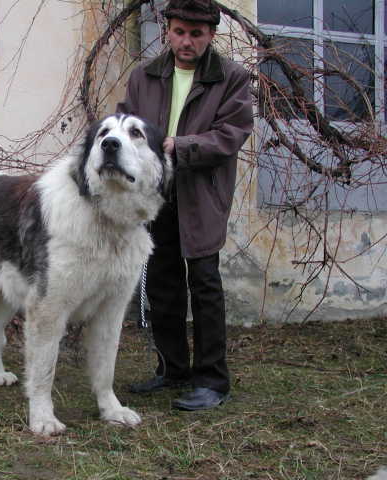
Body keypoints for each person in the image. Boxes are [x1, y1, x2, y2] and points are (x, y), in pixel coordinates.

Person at [117, 0, 253, 410]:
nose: (186, 41)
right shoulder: (144, 76)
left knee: (205, 285)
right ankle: (173, 370)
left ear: (211, 34)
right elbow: (124, 125)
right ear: (167, 30)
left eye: (196, 34)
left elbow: (232, 132)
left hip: (201, 195)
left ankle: (212, 380)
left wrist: (181, 146)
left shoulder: (231, 78)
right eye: (179, 32)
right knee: (162, 284)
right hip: (154, 198)